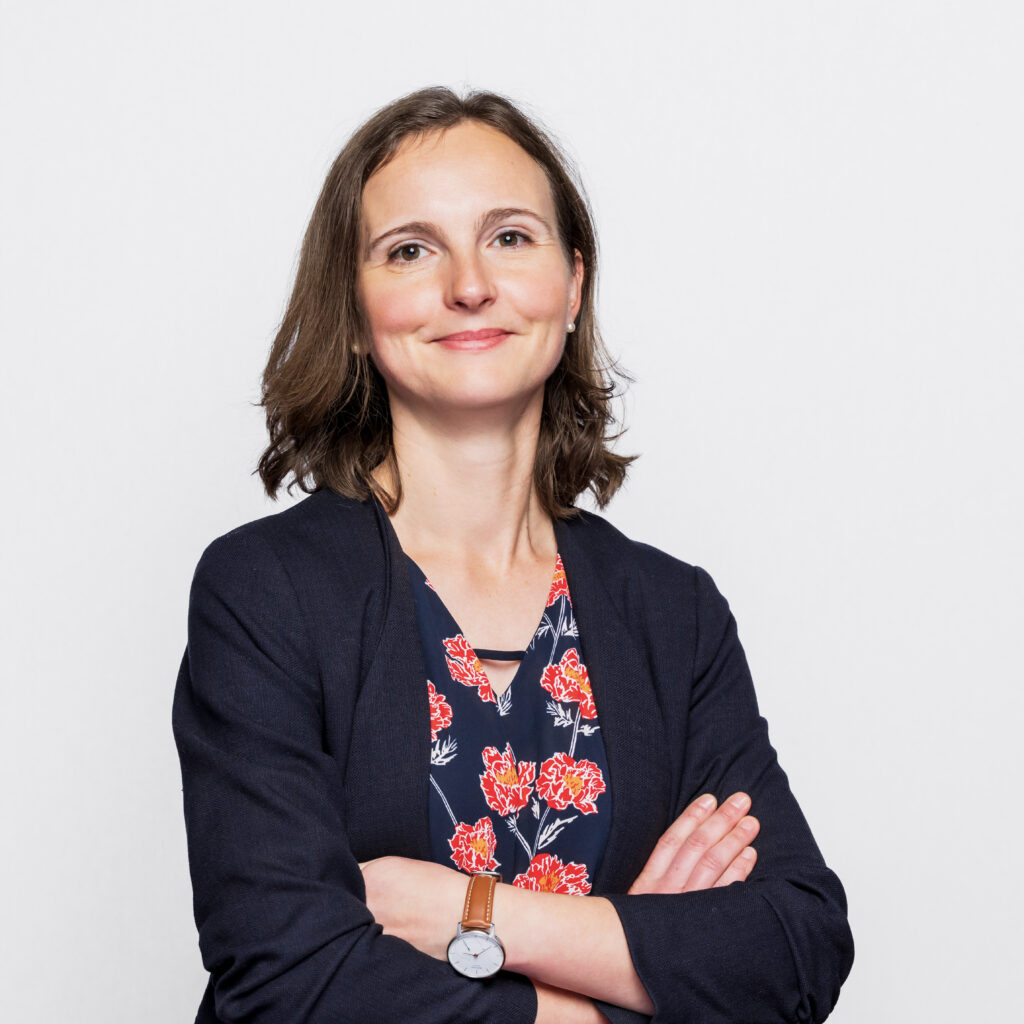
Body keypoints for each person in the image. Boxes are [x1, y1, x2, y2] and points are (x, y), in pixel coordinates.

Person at [172, 86, 854, 1023]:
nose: (469, 285)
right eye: (410, 250)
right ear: (355, 310)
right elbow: (290, 982)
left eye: (509, 237)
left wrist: (472, 912)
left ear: (572, 286)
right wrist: (625, 986)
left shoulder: (673, 612)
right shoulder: (265, 591)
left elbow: (798, 949)